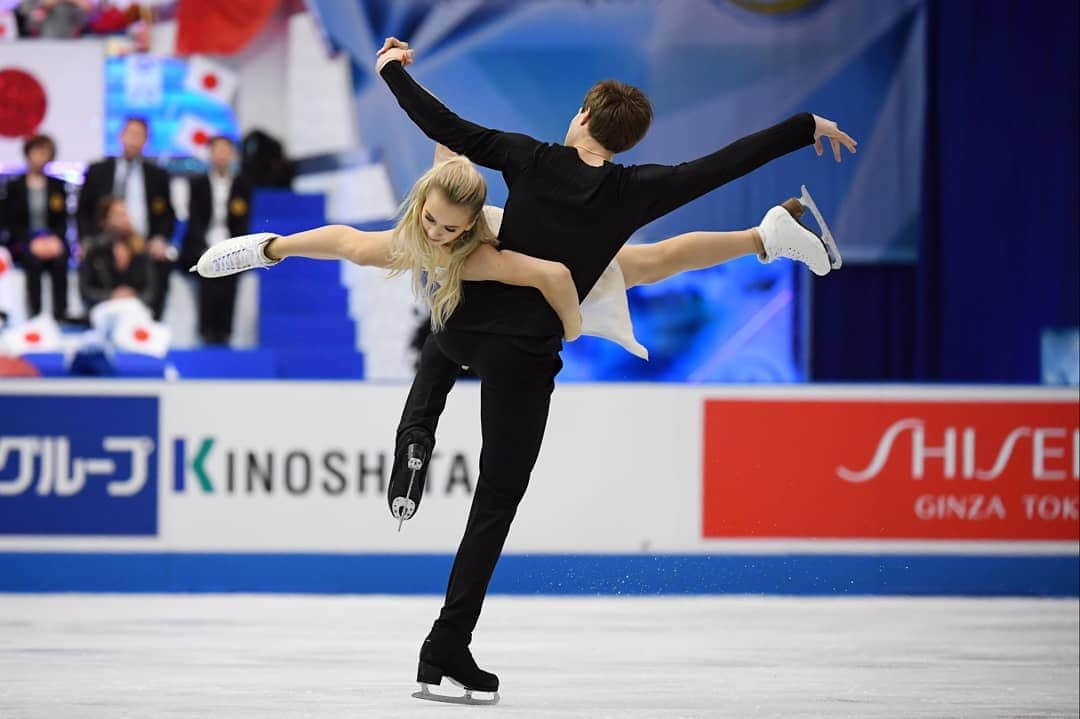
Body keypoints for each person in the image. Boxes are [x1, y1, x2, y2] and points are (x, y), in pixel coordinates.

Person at [370, 37, 856, 704]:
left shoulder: (528, 156)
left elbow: (444, 127)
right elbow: (723, 165)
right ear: (623, 141)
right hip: (525, 354)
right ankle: (446, 643)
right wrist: (804, 129)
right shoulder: (636, 189)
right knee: (495, 501)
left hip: (463, 327)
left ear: (581, 116)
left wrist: (392, 71)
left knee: (445, 333)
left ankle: (415, 432)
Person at [193, 155, 584, 341]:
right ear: (423, 198)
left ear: (467, 224)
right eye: (430, 218)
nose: (434, 231)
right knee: (359, 250)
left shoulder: (482, 257)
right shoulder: (440, 188)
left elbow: (557, 274)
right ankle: (267, 248)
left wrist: (573, 331)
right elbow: (439, 124)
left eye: (448, 227)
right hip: (447, 256)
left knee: (631, 268)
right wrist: (397, 66)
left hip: (519, 257)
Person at [78, 116, 175, 320]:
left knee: (161, 263)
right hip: (103, 243)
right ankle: (96, 318)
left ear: (146, 140)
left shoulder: (157, 175)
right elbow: (83, 211)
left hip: (143, 244)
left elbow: (167, 215)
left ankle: (151, 324)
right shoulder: (98, 170)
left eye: (139, 135)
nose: (133, 139)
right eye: (130, 134)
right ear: (121, 136)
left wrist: (159, 240)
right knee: (93, 260)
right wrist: (85, 240)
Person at [179, 136, 252, 345]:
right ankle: (206, 331)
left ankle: (225, 332)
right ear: (210, 153)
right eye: (218, 150)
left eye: (226, 150)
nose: (222, 155)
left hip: (232, 243)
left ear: (233, 155)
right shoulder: (198, 183)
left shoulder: (242, 185)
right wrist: (204, 247)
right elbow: (194, 220)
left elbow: (243, 220)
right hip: (202, 243)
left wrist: (236, 247)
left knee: (230, 278)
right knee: (207, 273)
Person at [2, 134, 70, 321]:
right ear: (28, 154)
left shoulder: (57, 186)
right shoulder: (15, 186)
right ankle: (35, 315)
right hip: (24, 241)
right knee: (33, 262)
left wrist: (55, 240)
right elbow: (10, 222)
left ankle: (60, 314)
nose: (40, 156)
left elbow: (62, 220)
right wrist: (31, 242)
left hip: (51, 239)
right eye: (36, 152)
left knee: (60, 260)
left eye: (45, 152)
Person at [78, 197, 156, 313]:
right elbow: (86, 291)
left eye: (125, 214)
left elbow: (150, 291)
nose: (124, 219)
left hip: (135, 310)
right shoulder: (94, 251)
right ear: (104, 220)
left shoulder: (140, 250)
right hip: (104, 311)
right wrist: (112, 296)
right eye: (118, 215)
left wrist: (132, 299)